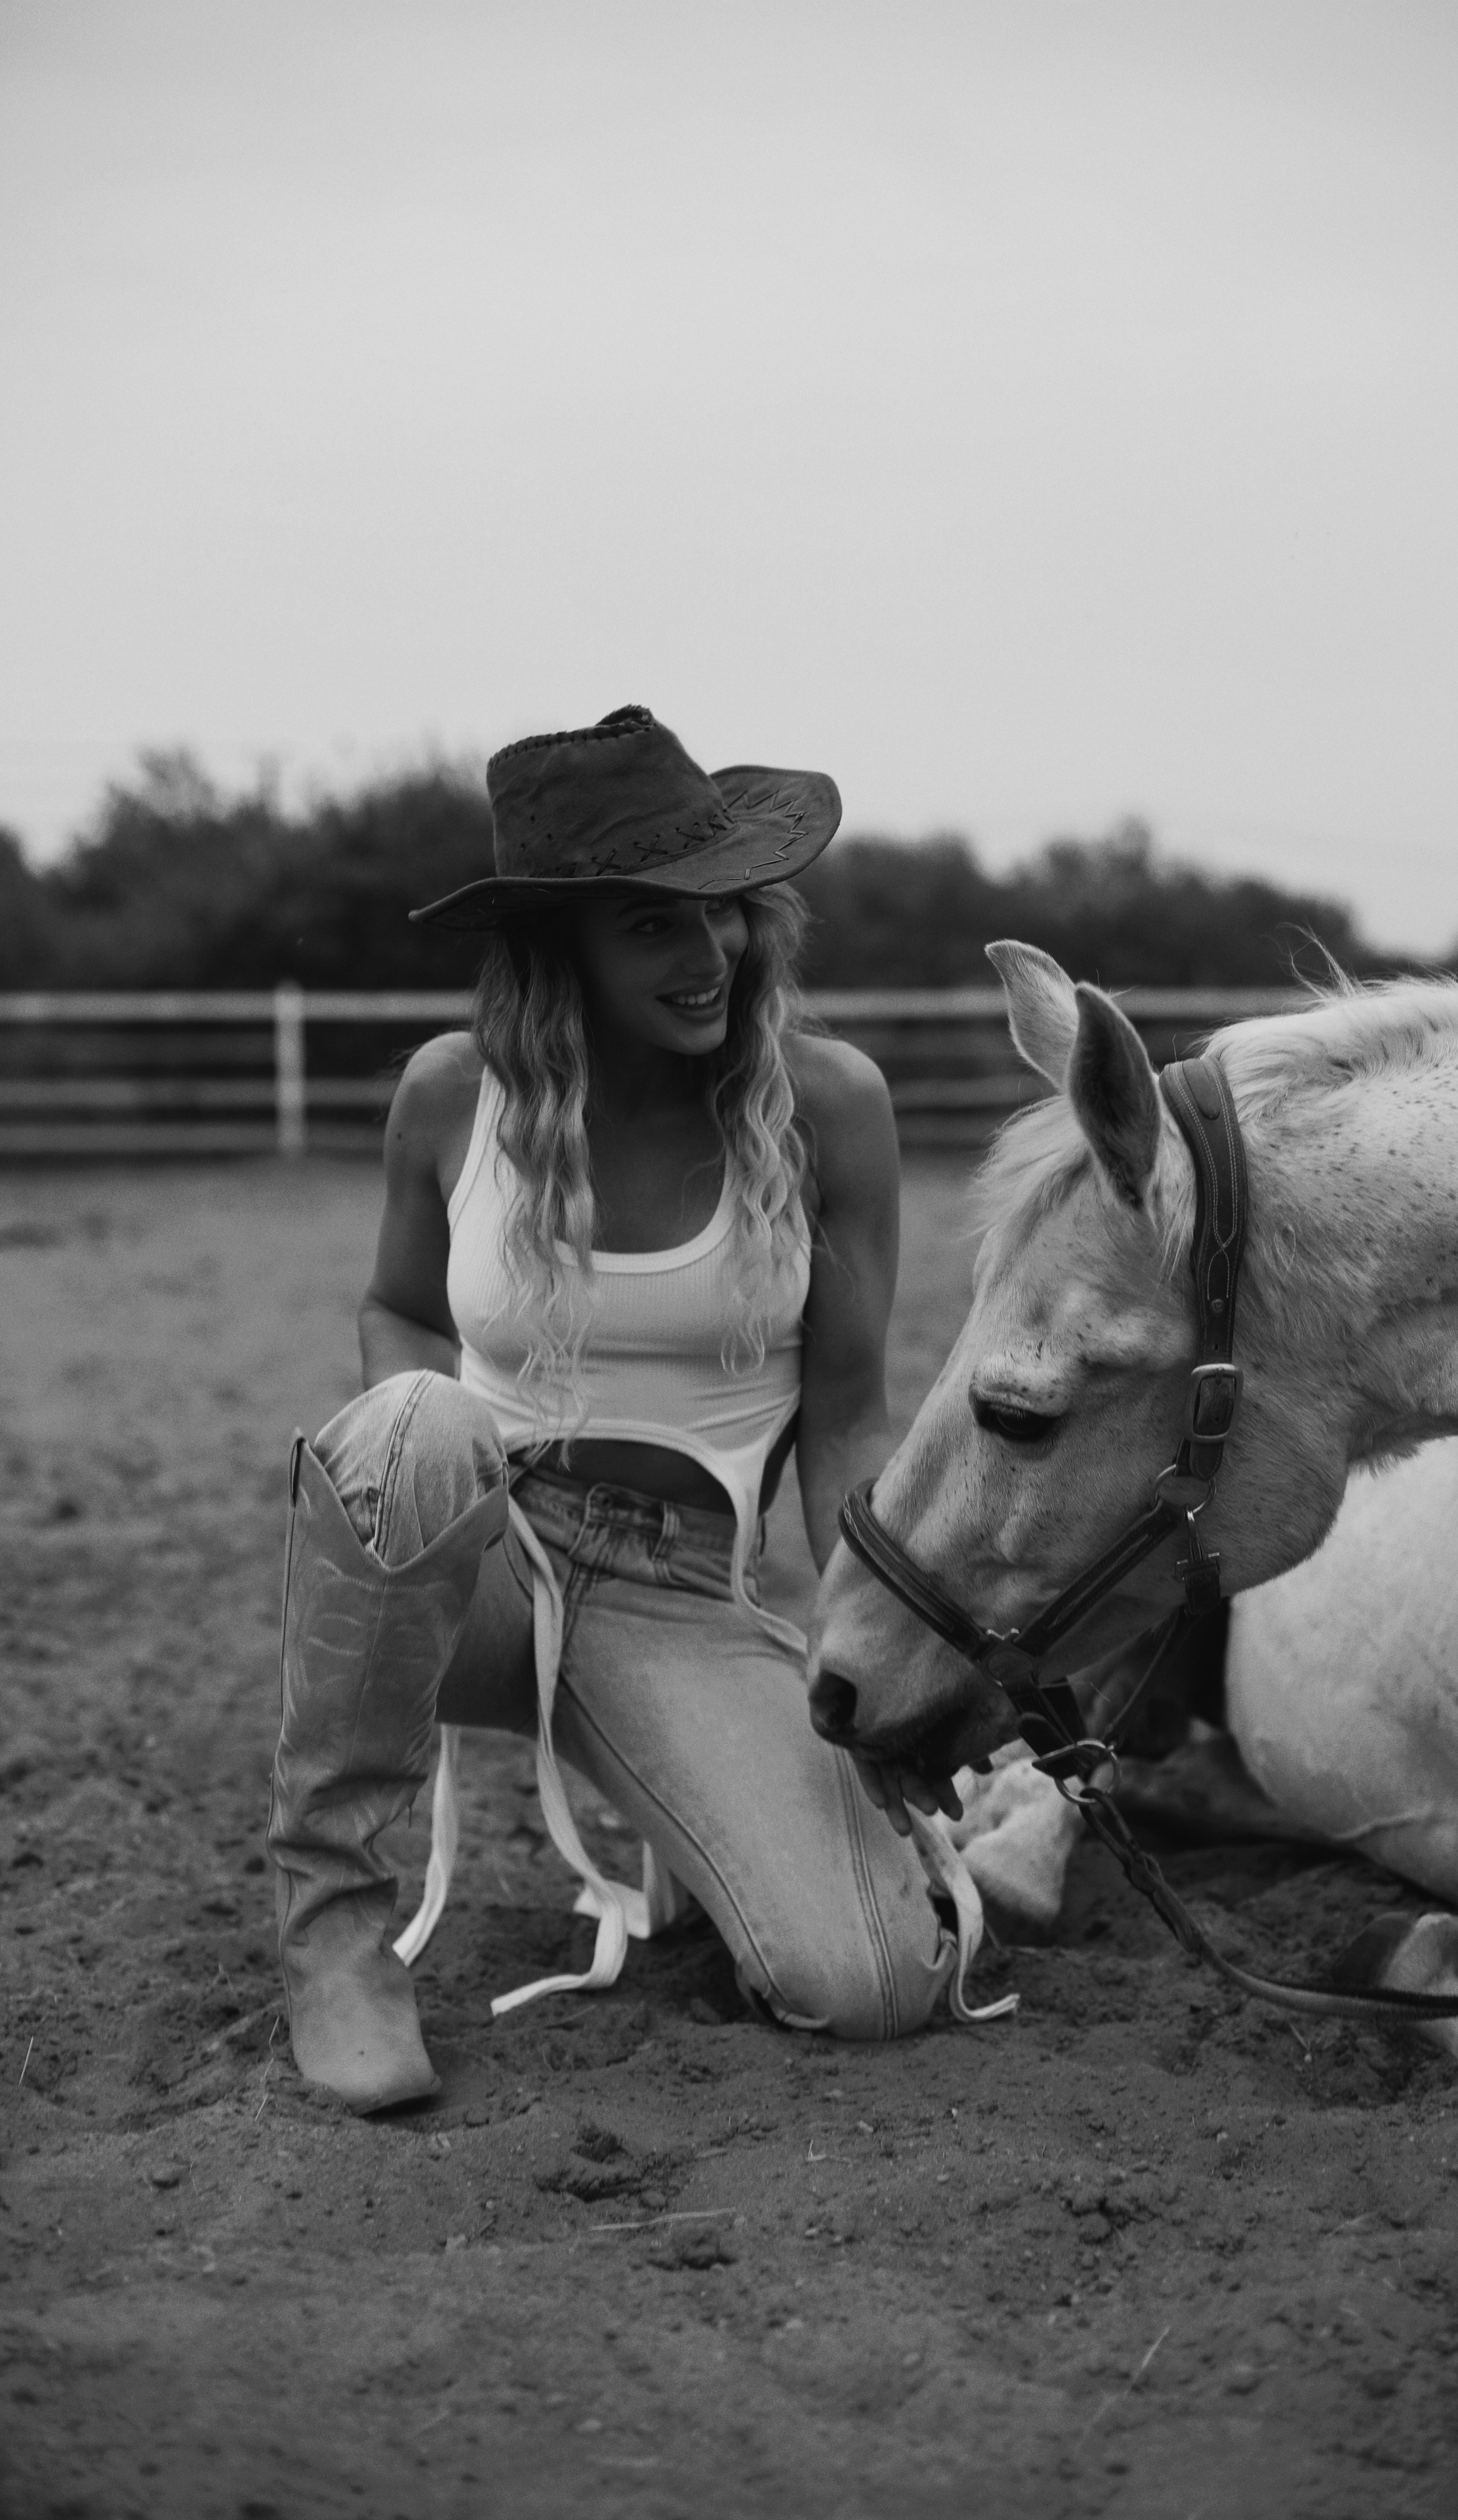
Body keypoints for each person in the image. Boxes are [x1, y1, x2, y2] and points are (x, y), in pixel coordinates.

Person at [266, 705, 1001, 2114]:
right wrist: (428, 1469)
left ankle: (696, 1822)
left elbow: (848, 1414)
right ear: (562, 952)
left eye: (721, 911)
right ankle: (335, 1932)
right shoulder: (447, 1097)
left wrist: (892, 1653)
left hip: (678, 1586)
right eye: (650, 924)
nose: (707, 950)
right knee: (413, 1417)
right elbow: (398, 1311)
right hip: (471, 1556)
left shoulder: (826, 1108)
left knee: (869, 1981)